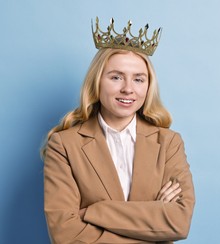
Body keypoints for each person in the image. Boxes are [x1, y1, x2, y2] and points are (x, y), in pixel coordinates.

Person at [41, 18, 195, 244]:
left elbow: (179, 223)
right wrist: (153, 223)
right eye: (116, 77)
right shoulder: (64, 145)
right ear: (97, 82)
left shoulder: (169, 143)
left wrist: (94, 212)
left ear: (148, 86)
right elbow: (65, 234)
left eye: (139, 79)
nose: (128, 89)